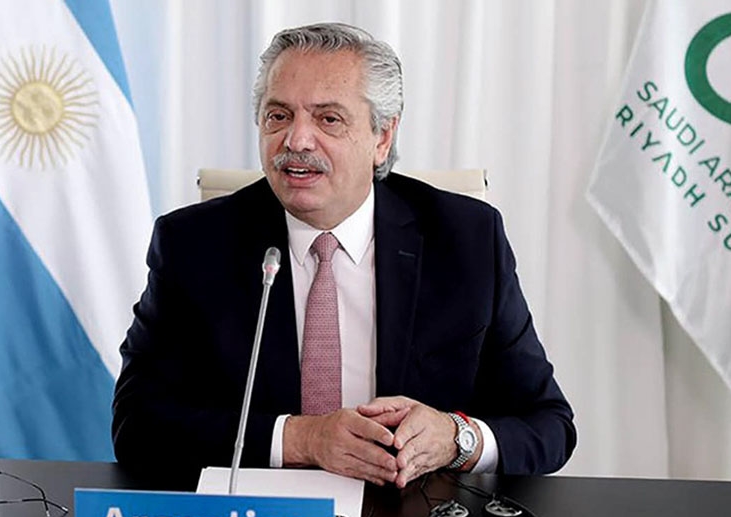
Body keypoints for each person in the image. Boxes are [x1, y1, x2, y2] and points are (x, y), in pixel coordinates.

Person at [112, 23, 575, 491]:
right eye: (278, 116)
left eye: (328, 119)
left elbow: (548, 424)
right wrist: (302, 439)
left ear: (382, 137)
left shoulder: (466, 240)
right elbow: (137, 424)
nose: (296, 140)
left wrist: (457, 438)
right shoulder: (193, 244)